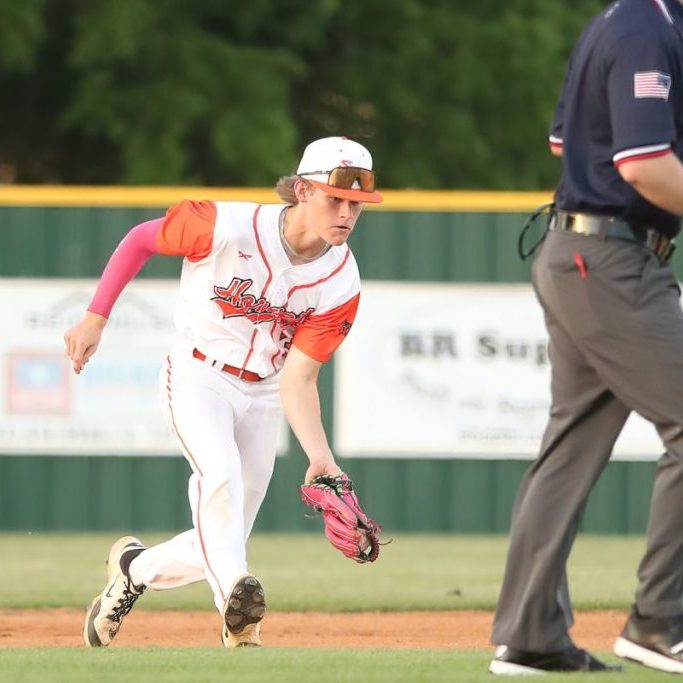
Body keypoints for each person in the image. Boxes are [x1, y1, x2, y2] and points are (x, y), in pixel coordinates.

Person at [64, 136, 383, 648]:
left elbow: (300, 377)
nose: (346, 213)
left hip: (263, 393)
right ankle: (239, 613)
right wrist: (96, 316)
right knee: (220, 475)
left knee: (224, 534)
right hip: (198, 374)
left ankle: (133, 569)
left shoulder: (341, 280)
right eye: (335, 198)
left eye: (357, 204)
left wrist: (320, 457)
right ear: (301, 190)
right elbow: (141, 240)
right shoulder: (225, 225)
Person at [489, 0, 683, 675]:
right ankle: (658, 621)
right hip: (606, 256)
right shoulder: (644, 30)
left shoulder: (625, 23)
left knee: (569, 446)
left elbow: (564, 142)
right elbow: (642, 165)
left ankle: (530, 634)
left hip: (582, 251)